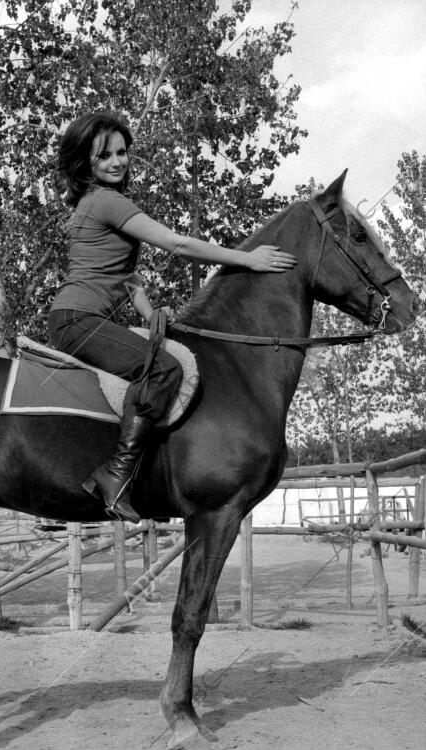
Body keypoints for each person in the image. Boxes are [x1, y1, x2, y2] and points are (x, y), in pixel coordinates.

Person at [48, 111, 296, 522]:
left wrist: (150, 314)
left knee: (160, 357)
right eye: (103, 156)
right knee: (163, 370)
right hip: (80, 319)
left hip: (79, 318)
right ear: (85, 164)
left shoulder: (94, 205)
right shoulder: (108, 201)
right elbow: (177, 244)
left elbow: (127, 282)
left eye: (121, 152)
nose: (116, 161)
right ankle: (116, 475)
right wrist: (247, 259)